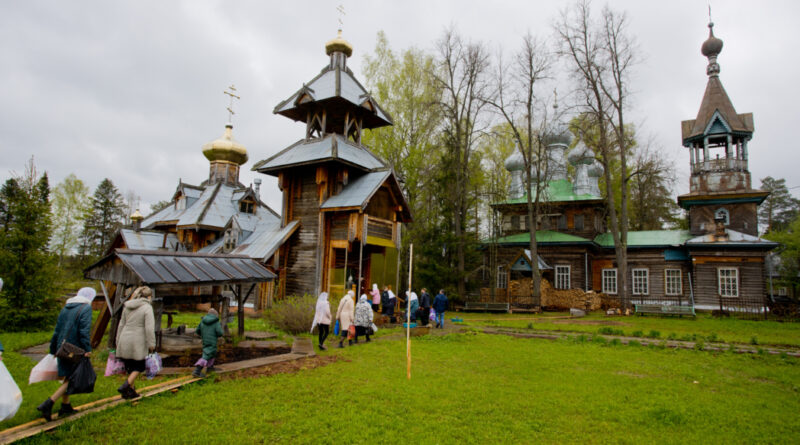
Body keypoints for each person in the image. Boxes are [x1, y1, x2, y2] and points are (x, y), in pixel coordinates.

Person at [37, 287, 94, 420]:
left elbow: (57, 330)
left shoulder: (66, 307)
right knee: (73, 378)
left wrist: (53, 349)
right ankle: (48, 403)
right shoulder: (85, 308)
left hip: (62, 347)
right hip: (75, 349)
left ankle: (65, 406)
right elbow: (84, 331)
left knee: (68, 376)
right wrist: (87, 349)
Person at [115, 286, 155, 399]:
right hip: (138, 339)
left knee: (130, 366)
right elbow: (149, 328)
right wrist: (151, 344)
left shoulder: (127, 306)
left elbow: (121, 324)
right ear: (148, 296)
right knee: (139, 366)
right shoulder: (147, 307)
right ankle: (126, 386)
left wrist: (118, 340)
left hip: (125, 337)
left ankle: (130, 392)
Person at [192, 308, 224, 377]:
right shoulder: (216, 322)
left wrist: (204, 334)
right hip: (212, 341)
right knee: (207, 355)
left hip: (205, 340)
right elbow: (220, 333)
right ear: (216, 315)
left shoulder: (202, 321)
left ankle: (210, 368)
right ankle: (197, 371)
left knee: (211, 353)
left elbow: (197, 331)